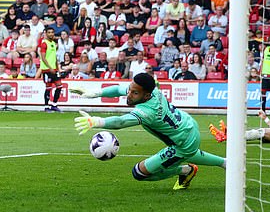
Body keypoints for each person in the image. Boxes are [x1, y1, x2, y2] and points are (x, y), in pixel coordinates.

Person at [71, 73, 226, 190]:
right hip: (188, 125)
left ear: (145, 95)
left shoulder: (148, 112)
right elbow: (119, 89)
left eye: (134, 93)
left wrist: (96, 121)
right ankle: (225, 163)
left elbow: (121, 121)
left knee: (139, 173)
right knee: (189, 152)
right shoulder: (153, 91)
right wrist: (94, 93)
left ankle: (186, 170)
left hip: (183, 142)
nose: (129, 95)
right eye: (130, 90)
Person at [39, 27, 63, 112]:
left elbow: (54, 57)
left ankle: (54, 104)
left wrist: (57, 68)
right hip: (47, 70)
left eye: (52, 32)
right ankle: (46, 107)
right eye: (49, 32)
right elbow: (43, 57)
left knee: (59, 86)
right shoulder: (44, 43)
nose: (51, 34)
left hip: (54, 69)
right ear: (46, 33)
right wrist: (50, 68)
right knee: (48, 88)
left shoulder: (53, 43)